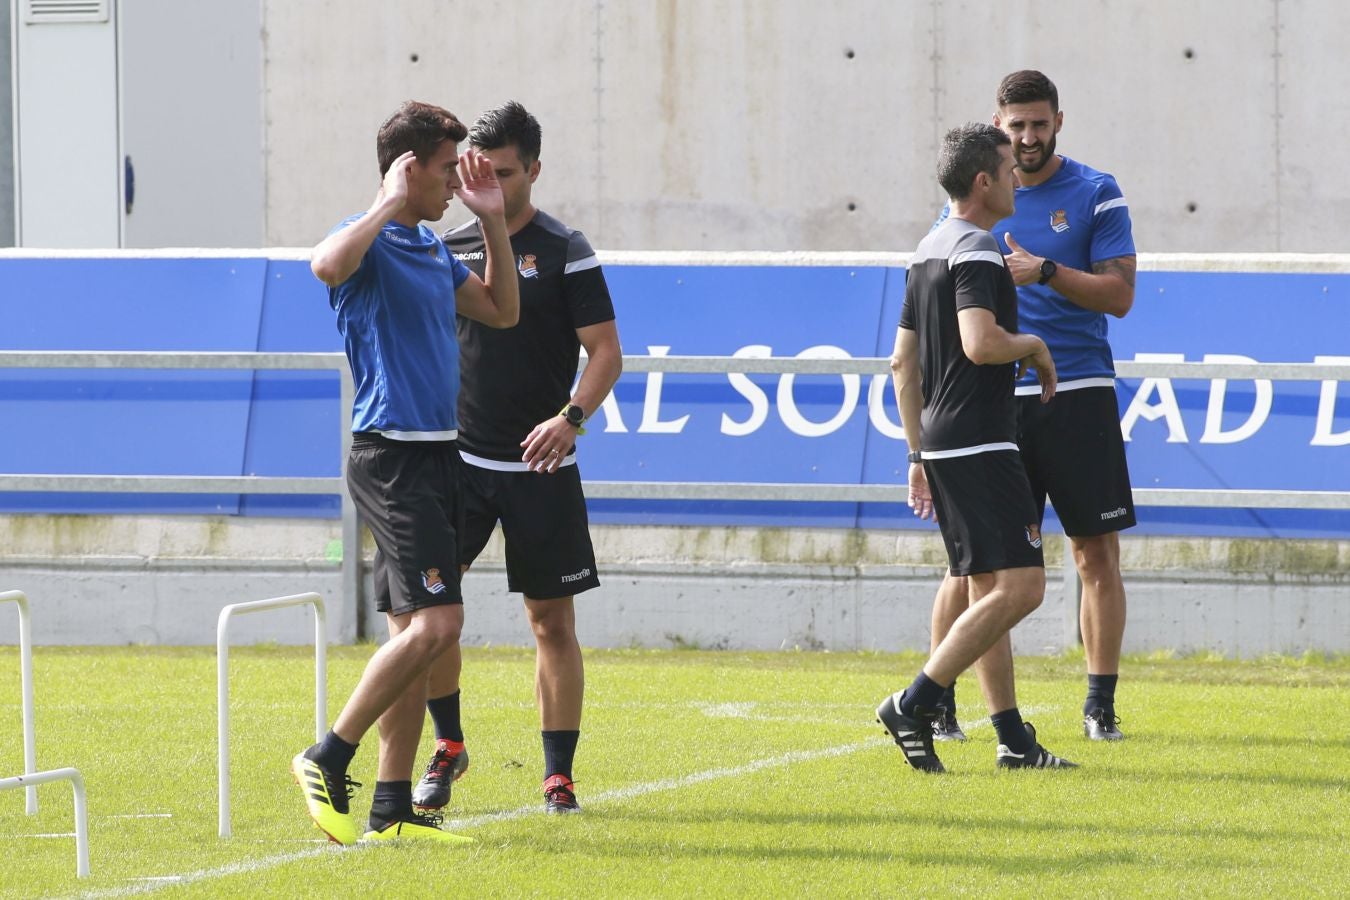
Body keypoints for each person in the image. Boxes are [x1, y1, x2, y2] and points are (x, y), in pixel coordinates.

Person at [293, 100, 520, 845]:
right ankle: (328, 754)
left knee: (410, 637)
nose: (456, 181)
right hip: (390, 454)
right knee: (438, 625)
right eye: (447, 170)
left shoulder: (429, 249)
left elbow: (500, 311)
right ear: (408, 167)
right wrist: (385, 204)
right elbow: (325, 265)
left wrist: (490, 221)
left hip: (437, 452)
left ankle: (391, 809)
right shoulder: (367, 240)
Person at [402, 101, 621, 815]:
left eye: (502, 172)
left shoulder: (566, 248)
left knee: (551, 623)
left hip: (539, 466)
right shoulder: (449, 247)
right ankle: (449, 747)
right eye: (478, 171)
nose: (487, 183)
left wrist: (570, 419)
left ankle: (558, 775)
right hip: (455, 465)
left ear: (533, 168)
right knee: (432, 616)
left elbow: (606, 354)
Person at [929, 70, 1137, 743]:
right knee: (975, 566)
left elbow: (1120, 295)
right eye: (1015, 126)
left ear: (1058, 122)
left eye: (1038, 124)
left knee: (1093, 554)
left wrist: (1044, 270)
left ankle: (1098, 705)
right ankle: (943, 700)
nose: (1026, 137)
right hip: (994, 402)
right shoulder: (975, 196)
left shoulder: (1097, 191)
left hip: (1077, 390)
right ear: (998, 123)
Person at [876, 122, 1075, 773]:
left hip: (941, 442)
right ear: (984, 182)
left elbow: (903, 365)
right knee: (1024, 588)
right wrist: (1037, 347)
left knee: (991, 588)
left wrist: (916, 456)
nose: (1019, 175)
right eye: (1008, 168)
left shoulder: (926, 249)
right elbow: (980, 343)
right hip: (984, 442)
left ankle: (1013, 741)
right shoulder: (979, 248)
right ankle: (917, 700)